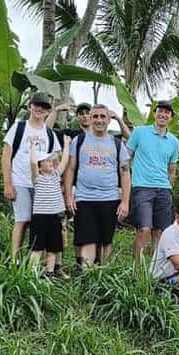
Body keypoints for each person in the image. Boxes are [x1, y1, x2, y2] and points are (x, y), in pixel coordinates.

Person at [63, 104, 131, 266]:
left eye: (102, 116)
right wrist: (69, 197)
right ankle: (87, 271)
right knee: (88, 239)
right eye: (95, 116)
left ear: (108, 120)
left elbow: (125, 173)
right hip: (84, 198)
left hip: (110, 198)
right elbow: (70, 169)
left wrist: (125, 202)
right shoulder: (79, 141)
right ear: (90, 118)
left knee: (106, 240)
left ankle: (102, 272)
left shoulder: (117, 144)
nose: (99, 120)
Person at [1, 92, 61, 257]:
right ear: (30, 107)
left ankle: (36, 258)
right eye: (37, 105)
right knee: (22, 219)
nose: (40, 109)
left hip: (41, 185)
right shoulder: (19, 128)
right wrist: (8, 184)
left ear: (48, 111)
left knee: (40, 221)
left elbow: (55, 160)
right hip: (20, 181)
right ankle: (15, 259)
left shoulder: (49, 133)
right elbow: (6, 156)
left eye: (44, 107)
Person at [128, 101, 179, 261]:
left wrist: (169, 187)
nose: (163, 115)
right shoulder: (139, 132)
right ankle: (137, 268)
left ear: (171, 117)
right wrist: (125, 183)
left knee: (159, 232)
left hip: (163, 189)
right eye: (160, 111)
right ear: (154, 113)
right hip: (142, 187)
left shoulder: (174, 141)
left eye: (167, 113)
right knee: (144, 229)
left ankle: (155, 268)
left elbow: (172, 169)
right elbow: (126, 157)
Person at [28, 137, 69, 277]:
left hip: (55, 216)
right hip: (40, 217)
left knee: (54, 247)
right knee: (37, 247)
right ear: (40, 167)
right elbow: (33, 162)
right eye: (46, 161)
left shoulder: (56, 175)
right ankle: (31, 274)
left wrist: (66, 144)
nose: (50, 162)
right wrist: (33, 146)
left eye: (50, 160)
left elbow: (64, 161)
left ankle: (49, 273)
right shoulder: (37, 178)